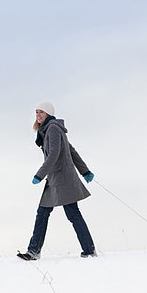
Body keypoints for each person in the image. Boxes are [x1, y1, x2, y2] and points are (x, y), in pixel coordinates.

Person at [18, 102, 96, 261]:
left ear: (49, 114)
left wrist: (39, 175)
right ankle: (34, 251)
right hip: (56, 178)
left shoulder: (53, 129)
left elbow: (53, 155)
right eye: (36, 112)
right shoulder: (49, 129)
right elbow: (71, 150)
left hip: (62, 179)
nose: (38, 115)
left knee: (71, 214)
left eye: (41, 112)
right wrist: (85, 171)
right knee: (44, 213)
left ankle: (89, 250)